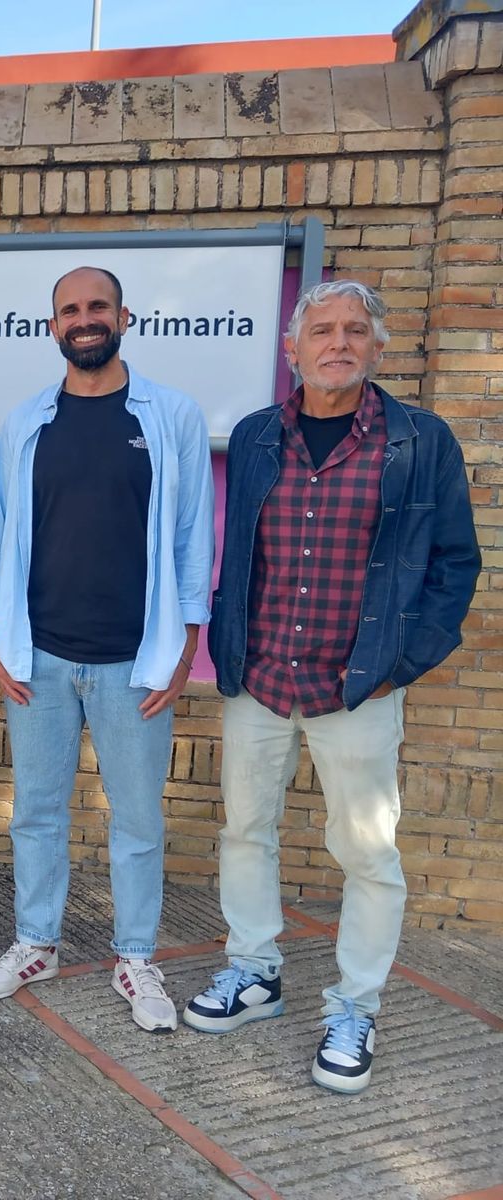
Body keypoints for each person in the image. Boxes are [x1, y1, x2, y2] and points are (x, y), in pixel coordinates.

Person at [184, 280, 479, 1093]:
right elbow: (237, 550)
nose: (338, 343)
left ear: (378, 348)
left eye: (356, 331)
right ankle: (254, 971)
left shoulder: (420, 441)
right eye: (322, 330)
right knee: (247, 831)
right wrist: (226, 644)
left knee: (369, 853)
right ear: (293, 349)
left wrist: (402, 664)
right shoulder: (253, 438)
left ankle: (356, 1005)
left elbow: (456, 564)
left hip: (358, 687)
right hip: (260, 677)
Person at [0, 267, 215, 1032]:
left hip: (133, 663)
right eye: (70, 310)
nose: (85, 320)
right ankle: (35, 941)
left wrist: (186, 648)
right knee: (35, 813)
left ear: (124, 318)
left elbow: (189, 539)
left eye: (97, 307)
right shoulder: (25, 424)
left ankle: (135, 957)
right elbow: (0, 530)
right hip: (37, 657)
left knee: (137, 817)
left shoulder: (172, 416)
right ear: (52, 328)